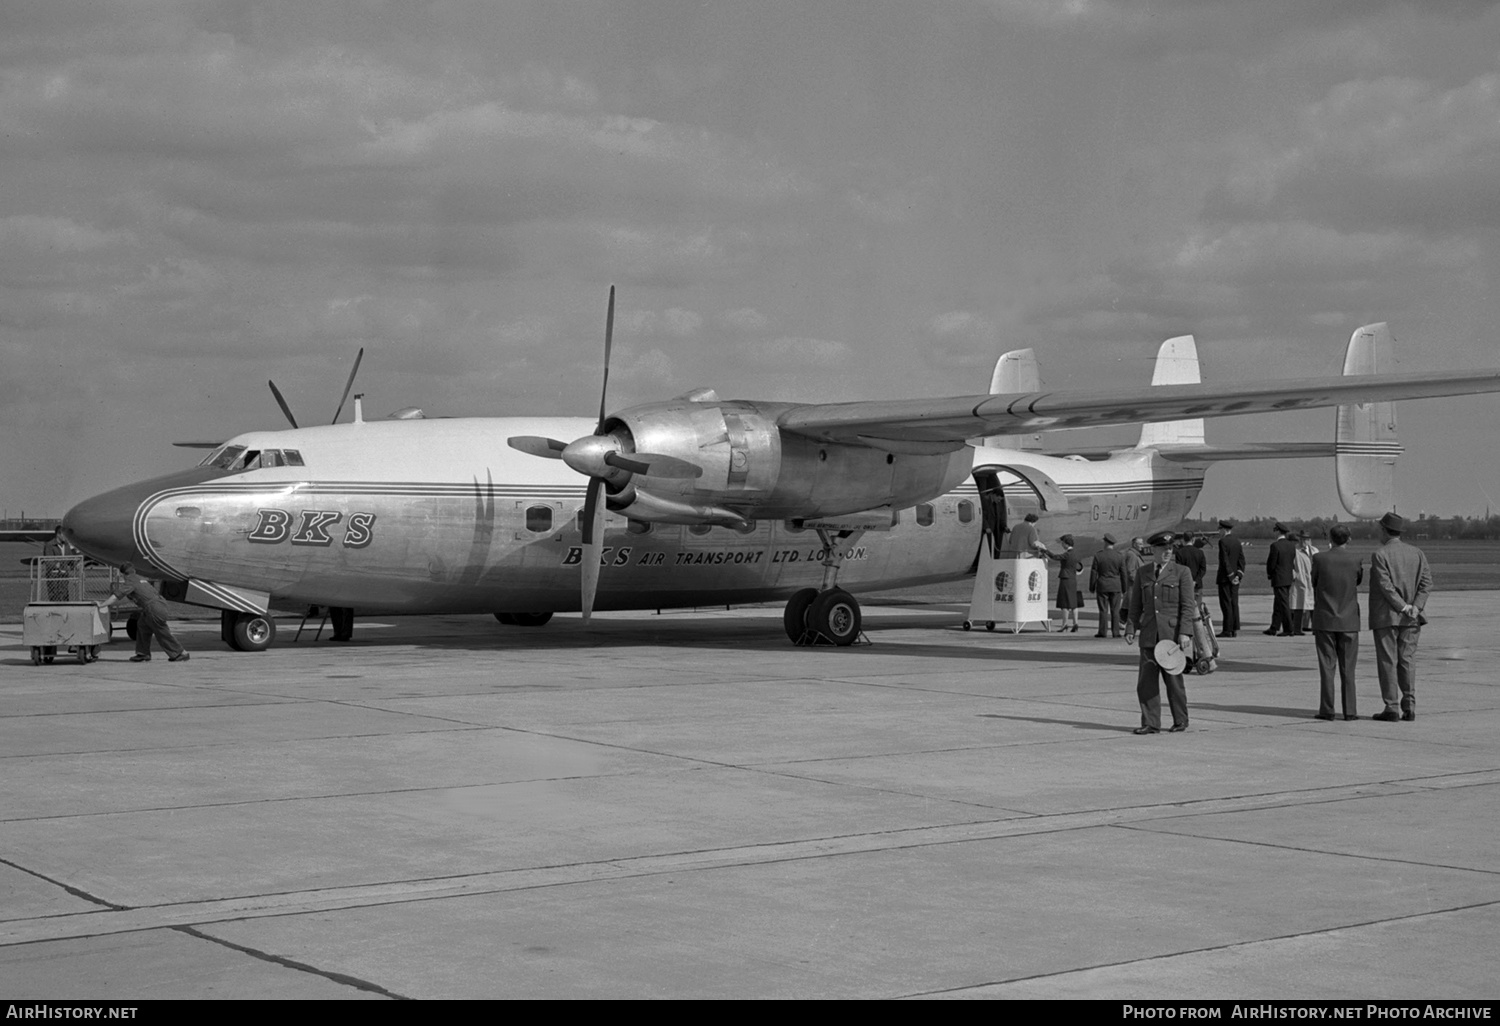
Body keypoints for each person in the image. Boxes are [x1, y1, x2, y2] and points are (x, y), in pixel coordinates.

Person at [1125, 531, 1196, 734]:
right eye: (1163, 549)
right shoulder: (1143, 572)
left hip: (1171, 636)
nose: (1167, 552)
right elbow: (1135, 604)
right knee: (1146, 683)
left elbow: (1188, 606)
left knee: (1174, 682)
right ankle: (1151, 723)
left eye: (1170, 549)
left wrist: (1185, 632)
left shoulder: (1182, 572)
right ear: (1153, 550)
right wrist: (1131, 628)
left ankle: (1180, 720)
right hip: (1149, 634)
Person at [1368, 512, 1431, 722]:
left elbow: (1385, 587)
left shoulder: (1380, 555)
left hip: (1388, 616)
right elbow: (1426, 583)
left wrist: (1404, 607)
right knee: (1407, 660)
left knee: (1388, 661)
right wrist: (1416, 607)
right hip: (1412, 617)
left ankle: (1392, 707)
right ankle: (1410, 707)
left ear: (1385, 530)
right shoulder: (1417, 553)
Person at [1310, 524, 1363, 721]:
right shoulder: (1356, 560)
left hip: (1325, 619)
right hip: (1349, 620)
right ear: (1348, 539)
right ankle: (1350, 710)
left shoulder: (1319, 559)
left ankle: (1327, 709)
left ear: (1330, 539)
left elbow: (1314, 580)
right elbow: (1357, 581)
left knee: (1327, 668)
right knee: (1348, 669)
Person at [98, 562, 189, 662]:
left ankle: (180, 653)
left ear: (123, 574)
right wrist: (109, 604)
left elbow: (115, 597)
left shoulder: (130, 582)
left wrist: (101, 605)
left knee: (161, 632)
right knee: (142, 625)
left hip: (153, 608)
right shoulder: (139, 579)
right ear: (134, 571)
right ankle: (143, 653)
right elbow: (125, 599)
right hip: (157, 605)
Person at [1089, 533, 1128, 638]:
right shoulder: (1119, 556)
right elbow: (1124, 573)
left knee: (1103, 610)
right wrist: (1125, 588)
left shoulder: (1098, 555)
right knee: (1115, 610)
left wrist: (1092, 587)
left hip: (1102, 585)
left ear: (1105, 542)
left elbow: (1094, 572)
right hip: (1116, 585)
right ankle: (1116, 632)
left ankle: (1102, 632)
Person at [1265, 522, 1298, 636]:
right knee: (1278, 603)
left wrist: (1270, 573)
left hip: (1279, 578)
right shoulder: (1291, 546)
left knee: (1283, 604)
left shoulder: (1275, 546)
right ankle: (1274, 626)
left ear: (1278, 532)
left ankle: (1289, 628)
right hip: (1287, 577)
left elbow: (1271, 563)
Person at [1216, 519, 1245, 637]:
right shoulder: (1237, 542)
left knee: (1226, 604)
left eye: (1220, 529)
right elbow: (1241, 560)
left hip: (1225, 578)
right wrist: (1238, 575)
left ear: (1223, 529)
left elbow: (1225, 560)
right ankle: (1234, 629)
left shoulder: (1222, 542)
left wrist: (1231, 576)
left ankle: (1227, 630)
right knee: (1234, 603)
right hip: (1235, 579)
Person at [1050, 534, 1084, 632]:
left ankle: (1064, 624)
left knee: (1064, 602)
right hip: (1073, 579)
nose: (1062, 545)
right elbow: (1079, 567)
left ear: (1066, 544)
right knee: (1074, 602)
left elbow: (1054, 556)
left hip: (1065, 578)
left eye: (1063, 543)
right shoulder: (1076, 554)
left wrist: (1045, 551)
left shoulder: (1067, 554)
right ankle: (1075, 623)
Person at [1289, 532, 1318, 635]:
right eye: (1302, 540)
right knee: (1298, 604)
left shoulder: (1315, 551)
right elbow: (1290, 564)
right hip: (1300, 580)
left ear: (1310, 541)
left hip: (1312, 580)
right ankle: (1297, 628)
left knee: (1314, 605)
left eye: (1306, 540)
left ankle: (1316, 628)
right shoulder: (1295, 551)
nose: (1304, 542)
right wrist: (1294, 575)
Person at [40, 525, 76, 602]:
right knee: (54, 596)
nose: (66, 537)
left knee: (65, 595)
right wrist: (57, 565)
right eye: (64, 535)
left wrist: (75, 563)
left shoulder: (66, 546)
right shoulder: (49, 545)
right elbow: (48, 561)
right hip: (54, 576)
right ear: (58, 534)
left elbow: (70, 559)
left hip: (64, 575)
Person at [1174, 532, 1207, 603]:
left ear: (1183, 540)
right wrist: (1195, 581)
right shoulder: (1200, 552)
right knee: (1197, 608)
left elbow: (1179, 570)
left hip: (1184, 585)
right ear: (1193, 539)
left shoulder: (1179, 553)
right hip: (1197, 586)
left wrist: (1187, 581)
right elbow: (1203, 570)